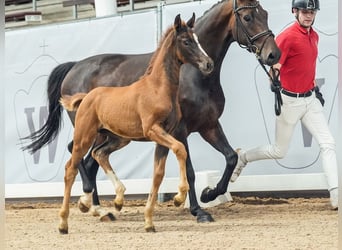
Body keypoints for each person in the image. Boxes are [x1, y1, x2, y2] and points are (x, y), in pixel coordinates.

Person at [230, 0, 338, 210]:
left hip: (310, 101)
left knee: (328, 144)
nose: (309, 15)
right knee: (279, 151)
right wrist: (274, 79)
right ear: (295, 12)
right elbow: (275, 64)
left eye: (312, 12)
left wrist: (313, 85)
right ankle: (243, 157)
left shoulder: (314, 36)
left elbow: (305, 65)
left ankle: (336, 195)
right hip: (290, 101)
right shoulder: (287, 37)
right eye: (304, 11)